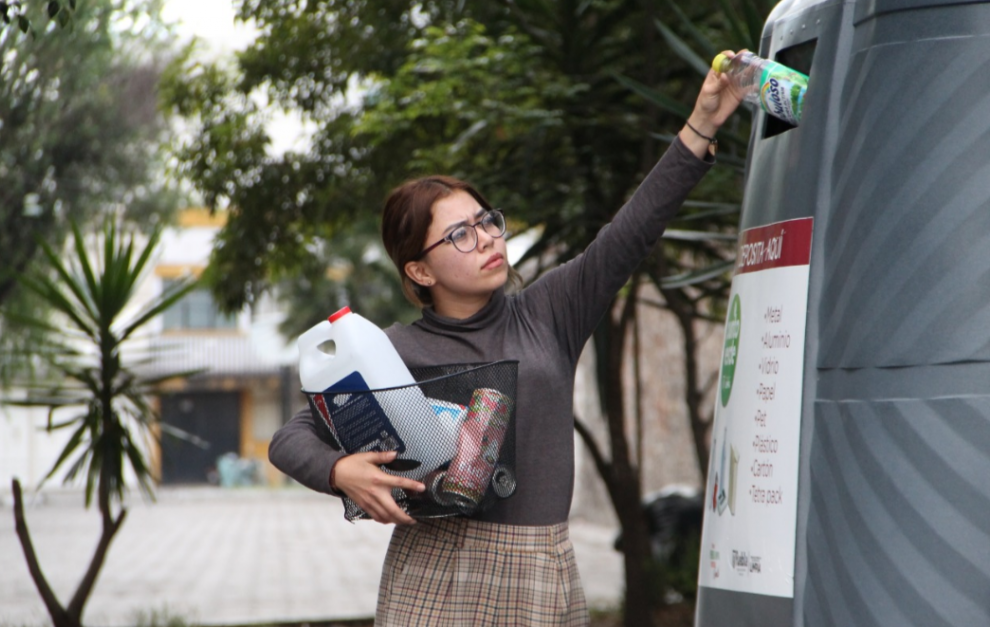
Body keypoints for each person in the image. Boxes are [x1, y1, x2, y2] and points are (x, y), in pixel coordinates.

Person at [269, 54, 744, 626]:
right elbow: (291, 436)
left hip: (539, 567)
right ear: (420, 271)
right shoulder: (391, 352)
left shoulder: (550, 310)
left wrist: (700, 126)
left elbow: (631, 230)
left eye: (487, 221)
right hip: (434, 571)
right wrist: (339, 472)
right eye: (460, 235)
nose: (489, 239)